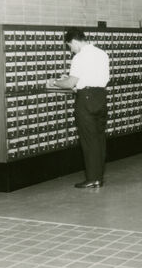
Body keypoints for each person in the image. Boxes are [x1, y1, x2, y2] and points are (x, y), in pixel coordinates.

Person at [47, 28, 110, 188]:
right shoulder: (102, 54)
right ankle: (98, 177)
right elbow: (98, 78)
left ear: (74, 41)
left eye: (69, 46)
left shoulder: (79, 57)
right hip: (101, 97)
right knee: (99, 139)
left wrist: (54, 82)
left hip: (86, 100)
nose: (70, 50)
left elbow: (70, 83)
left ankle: (92, 179)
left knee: (89, 141)